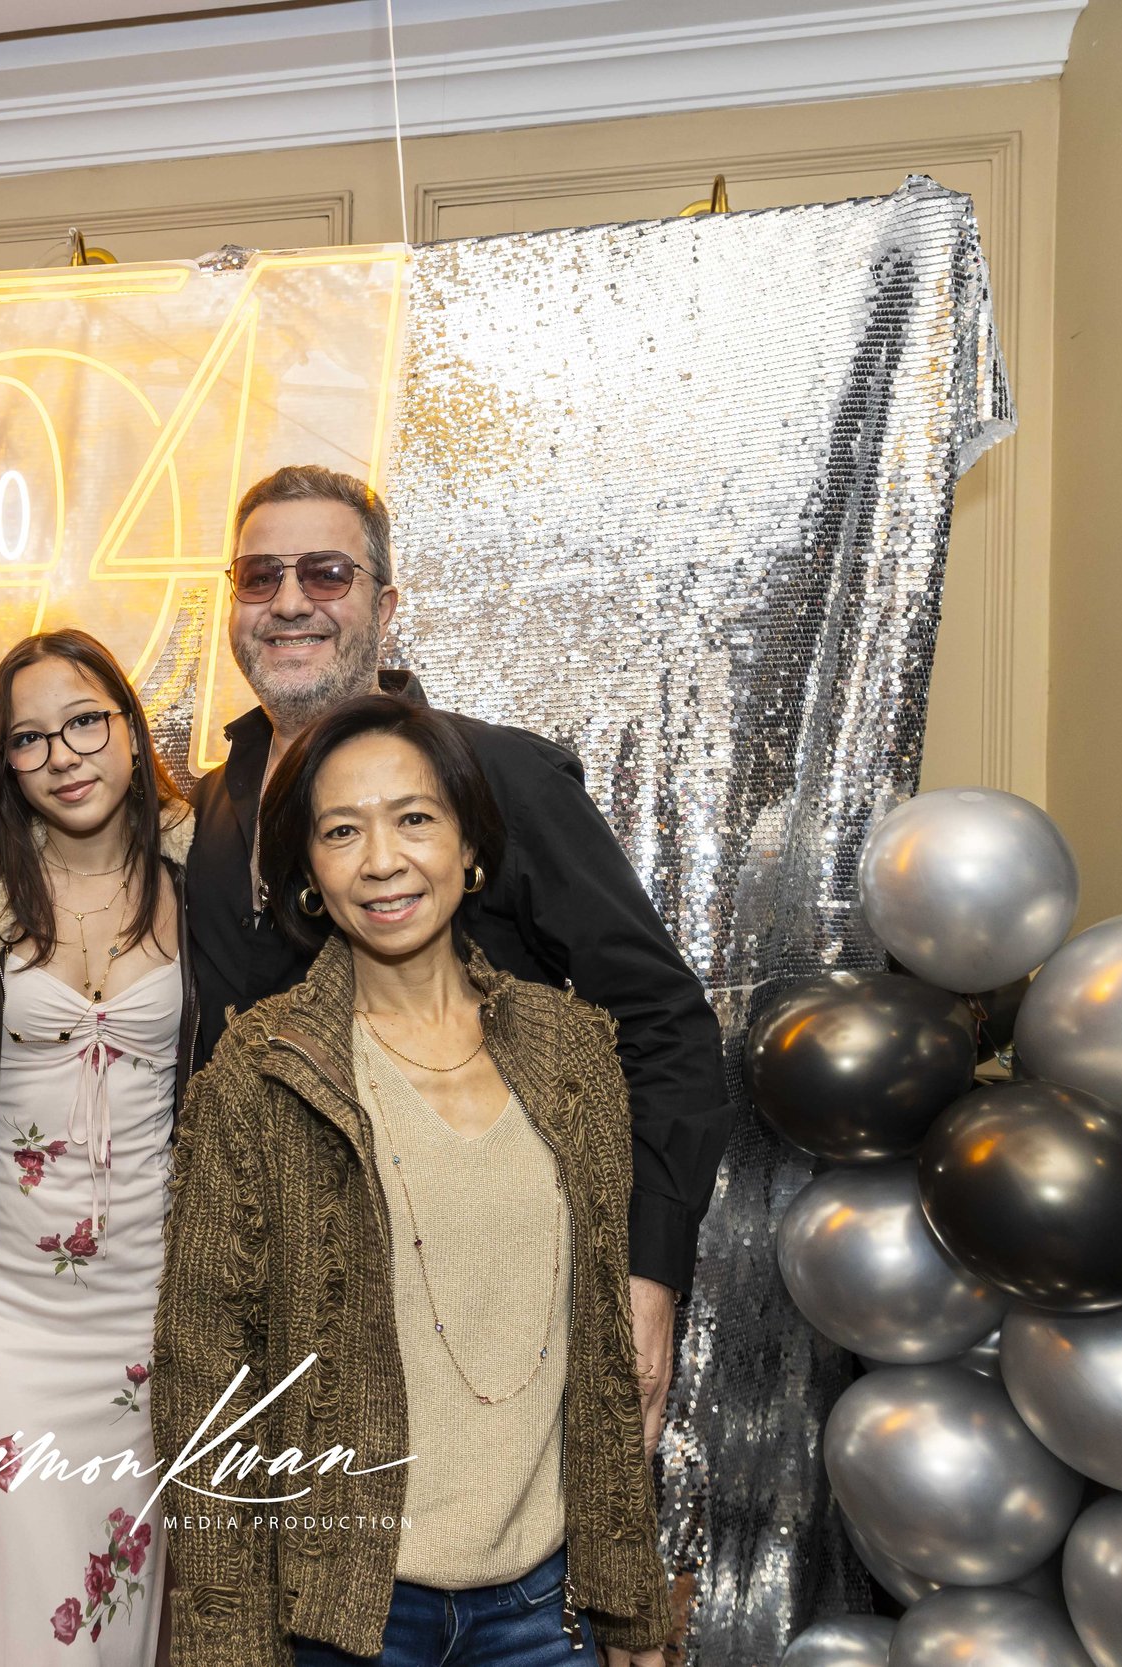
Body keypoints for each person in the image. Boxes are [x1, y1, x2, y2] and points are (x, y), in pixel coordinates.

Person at [184, 464, 729, 1453]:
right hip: (290, 1332)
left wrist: (647, 1274)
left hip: (494, 1317)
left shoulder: (498, 775)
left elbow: (667, 1026)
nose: (290, 601)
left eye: (326, 572)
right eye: (260, 576)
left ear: (386, 608)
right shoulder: (217, 802)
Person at [154, 695, 670, 1667]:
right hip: (345, 1618)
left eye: (415, 817)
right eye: (341, 831)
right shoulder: (260, 1074)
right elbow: (205, 1383)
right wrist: (228, 1643)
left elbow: (604, 1353)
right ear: (311, 873)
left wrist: (631, 1592)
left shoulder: (571, 1052)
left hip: (547, 1613)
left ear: (469, 847)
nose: (382, 859)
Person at [0, 628, 194, 1666]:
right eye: (29, 738)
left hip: (150, 1309)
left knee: (119, 1598)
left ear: (131, 729)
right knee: (15, 1602)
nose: (63, 755)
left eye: (85, 723)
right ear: (5, 762)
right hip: (4, 1308)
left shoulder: (201, 884)